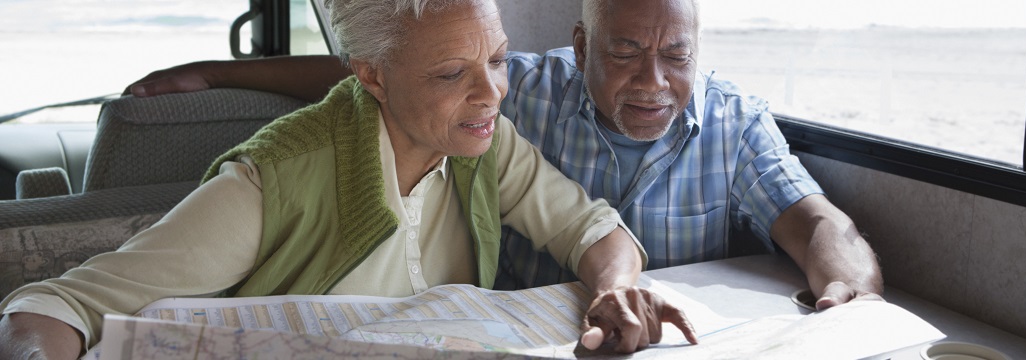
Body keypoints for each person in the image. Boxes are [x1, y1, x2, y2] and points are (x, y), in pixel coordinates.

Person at [0, 0, 699, 358]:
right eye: (454, 73)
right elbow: (51, 308)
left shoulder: (487, 146)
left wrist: (617, 290)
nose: (491, 94)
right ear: (369, 75)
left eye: (499, 60)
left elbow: (594, 229)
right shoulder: (270, 184)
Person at [125, 0, 883, 310]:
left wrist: (848, 298)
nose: (655, 82)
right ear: (581, 46)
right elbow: (392, 73)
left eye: (676, 56)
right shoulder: (518, 92)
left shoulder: (735, 122)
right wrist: (216, 72)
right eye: (624, 52)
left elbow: (818, 223)